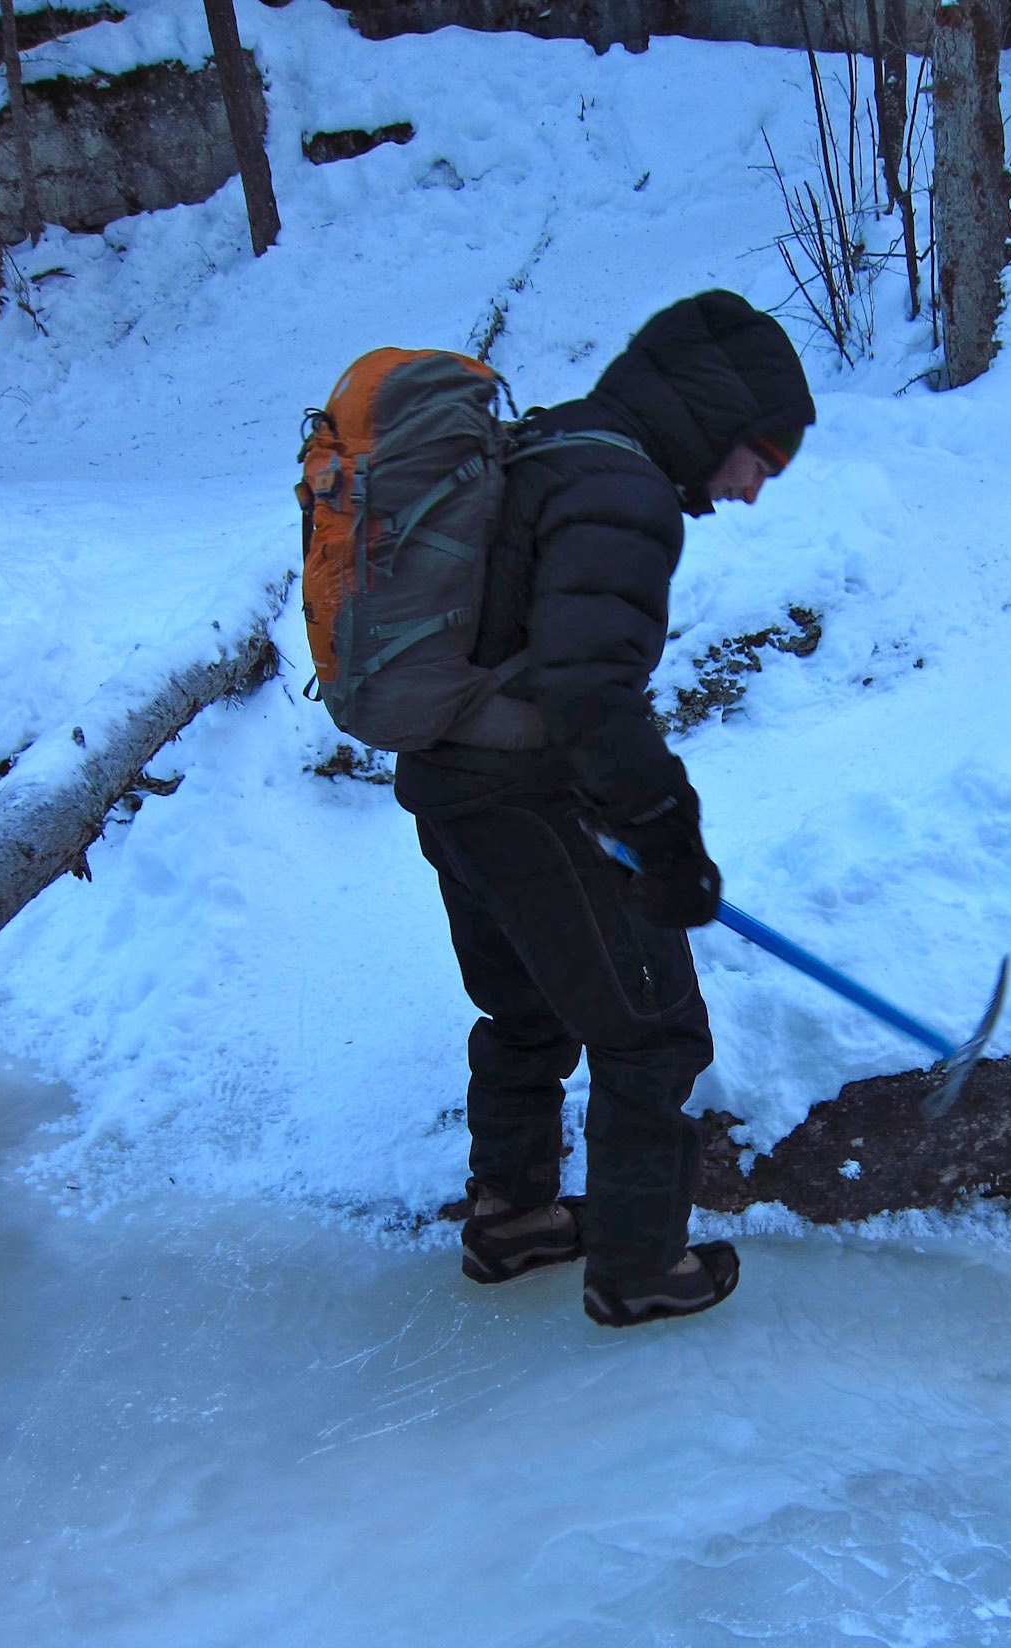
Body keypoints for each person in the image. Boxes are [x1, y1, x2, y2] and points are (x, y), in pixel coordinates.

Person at [393, 291, 815, 1326]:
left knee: (528, 1007)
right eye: (761, 457)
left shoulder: (555, 446)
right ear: (718, 424)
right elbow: (588, 690)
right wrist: (665, 828)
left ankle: (512, 1215)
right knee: (653, 1032)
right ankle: (637, 1268)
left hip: (451, 786)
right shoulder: (621, 489)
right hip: (522, 798)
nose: (755, 490)